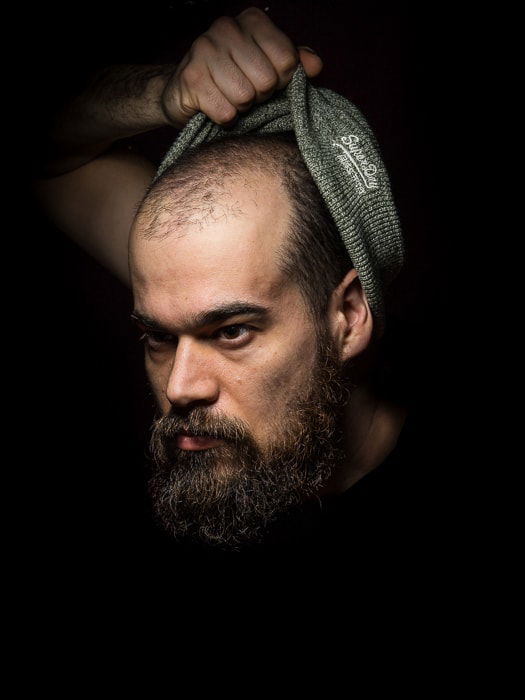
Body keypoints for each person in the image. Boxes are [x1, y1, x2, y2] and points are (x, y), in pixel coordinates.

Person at [32, 7, 426, 561]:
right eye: (158, 338)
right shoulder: (196, 284)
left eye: (232, 332)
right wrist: (162, 92)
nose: (179, 388)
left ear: (349, 316)